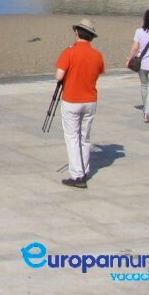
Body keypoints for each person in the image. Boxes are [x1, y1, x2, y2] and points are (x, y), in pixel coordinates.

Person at [54, 18, 105, 189]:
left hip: (72, 99)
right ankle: (84, 170)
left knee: (72, 138)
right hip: (90, 99)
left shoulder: (69, 52)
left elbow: (59, 76)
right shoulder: (97, 55)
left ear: (77, 33)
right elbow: (98, 73)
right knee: (84, 137)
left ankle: (77, 175)